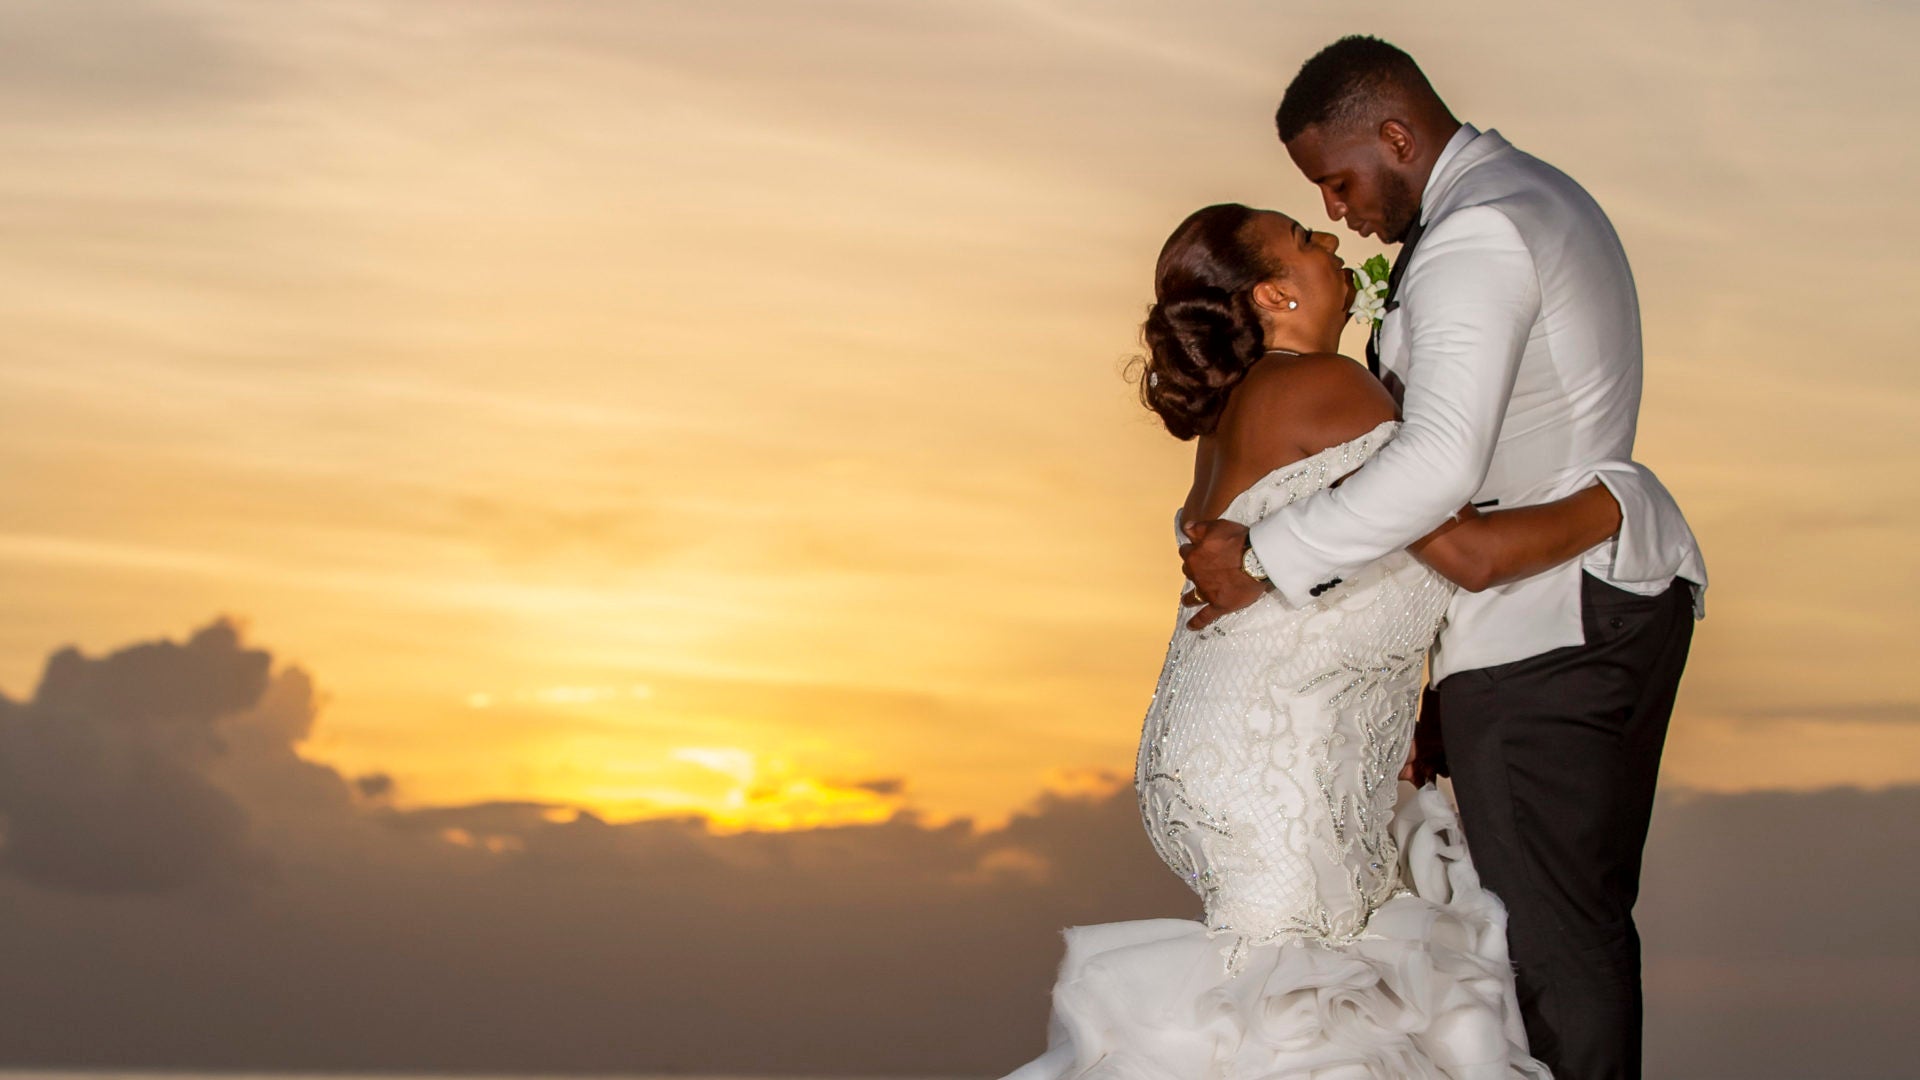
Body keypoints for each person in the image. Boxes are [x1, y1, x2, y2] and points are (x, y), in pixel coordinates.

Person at [1180, 38, 1706, 1080]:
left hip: (1545, 621)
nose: (1339, 210)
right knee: (1556, 937)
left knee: (1553, 949)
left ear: (1397, 136)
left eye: (1338, 180)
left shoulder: (1479, 236)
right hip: (1555, 614)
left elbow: (1436, 465)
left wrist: (1269, 556)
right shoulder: (1520, 202)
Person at [1003, 200, 1625, 1079]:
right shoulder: (1324, 389)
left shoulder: (1248, 409)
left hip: (1232, 756)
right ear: (1273, 295)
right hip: (1276, 772)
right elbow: (1466, 552)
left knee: (1298, 1017)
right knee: (1307, 1030)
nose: (1331, 243)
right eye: (1304, 238)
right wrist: (1620, 502)